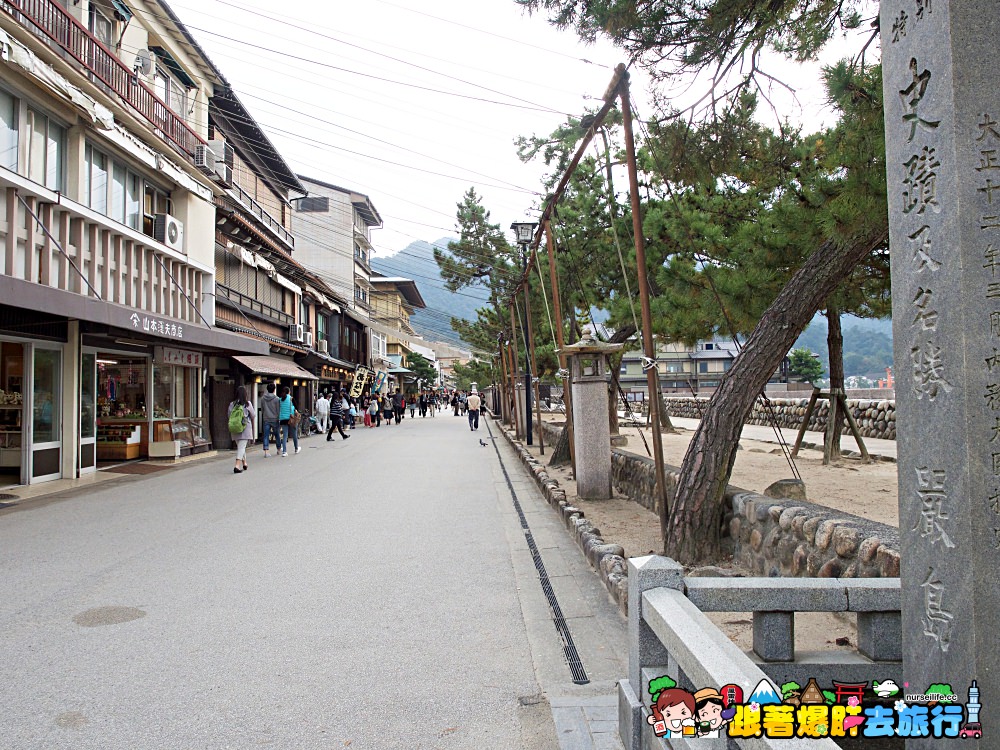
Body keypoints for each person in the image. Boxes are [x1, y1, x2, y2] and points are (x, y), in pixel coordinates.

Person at [228, 385, 255, 474]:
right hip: (245, 428)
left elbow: (229, 416)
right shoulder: (247, 404)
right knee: (241, 447)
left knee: (241, 447)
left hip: (235, 428)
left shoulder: (232, 404)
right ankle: (237, 465)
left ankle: (244, 463)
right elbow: (253, 415)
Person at [260, 382, 280, 457]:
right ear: (274, 390)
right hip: (275, 419)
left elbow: (262, 409)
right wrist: (278, 417)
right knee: (277, 434)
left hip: (266, 418)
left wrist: (265, 414)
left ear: (267, 389)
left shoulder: (263, 398)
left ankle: (266, 451)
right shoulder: (277, 399)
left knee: (266, 435)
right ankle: (278, 449)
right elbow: (278, 410)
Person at [278, 386, 299, 456]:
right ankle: (296, 448)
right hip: (291, 419)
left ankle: (284, 451)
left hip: (282, 419)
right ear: (289, 392)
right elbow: (296, 407)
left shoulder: (280, 400)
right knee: (294, 434)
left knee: (284, 436)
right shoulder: (291, 399)